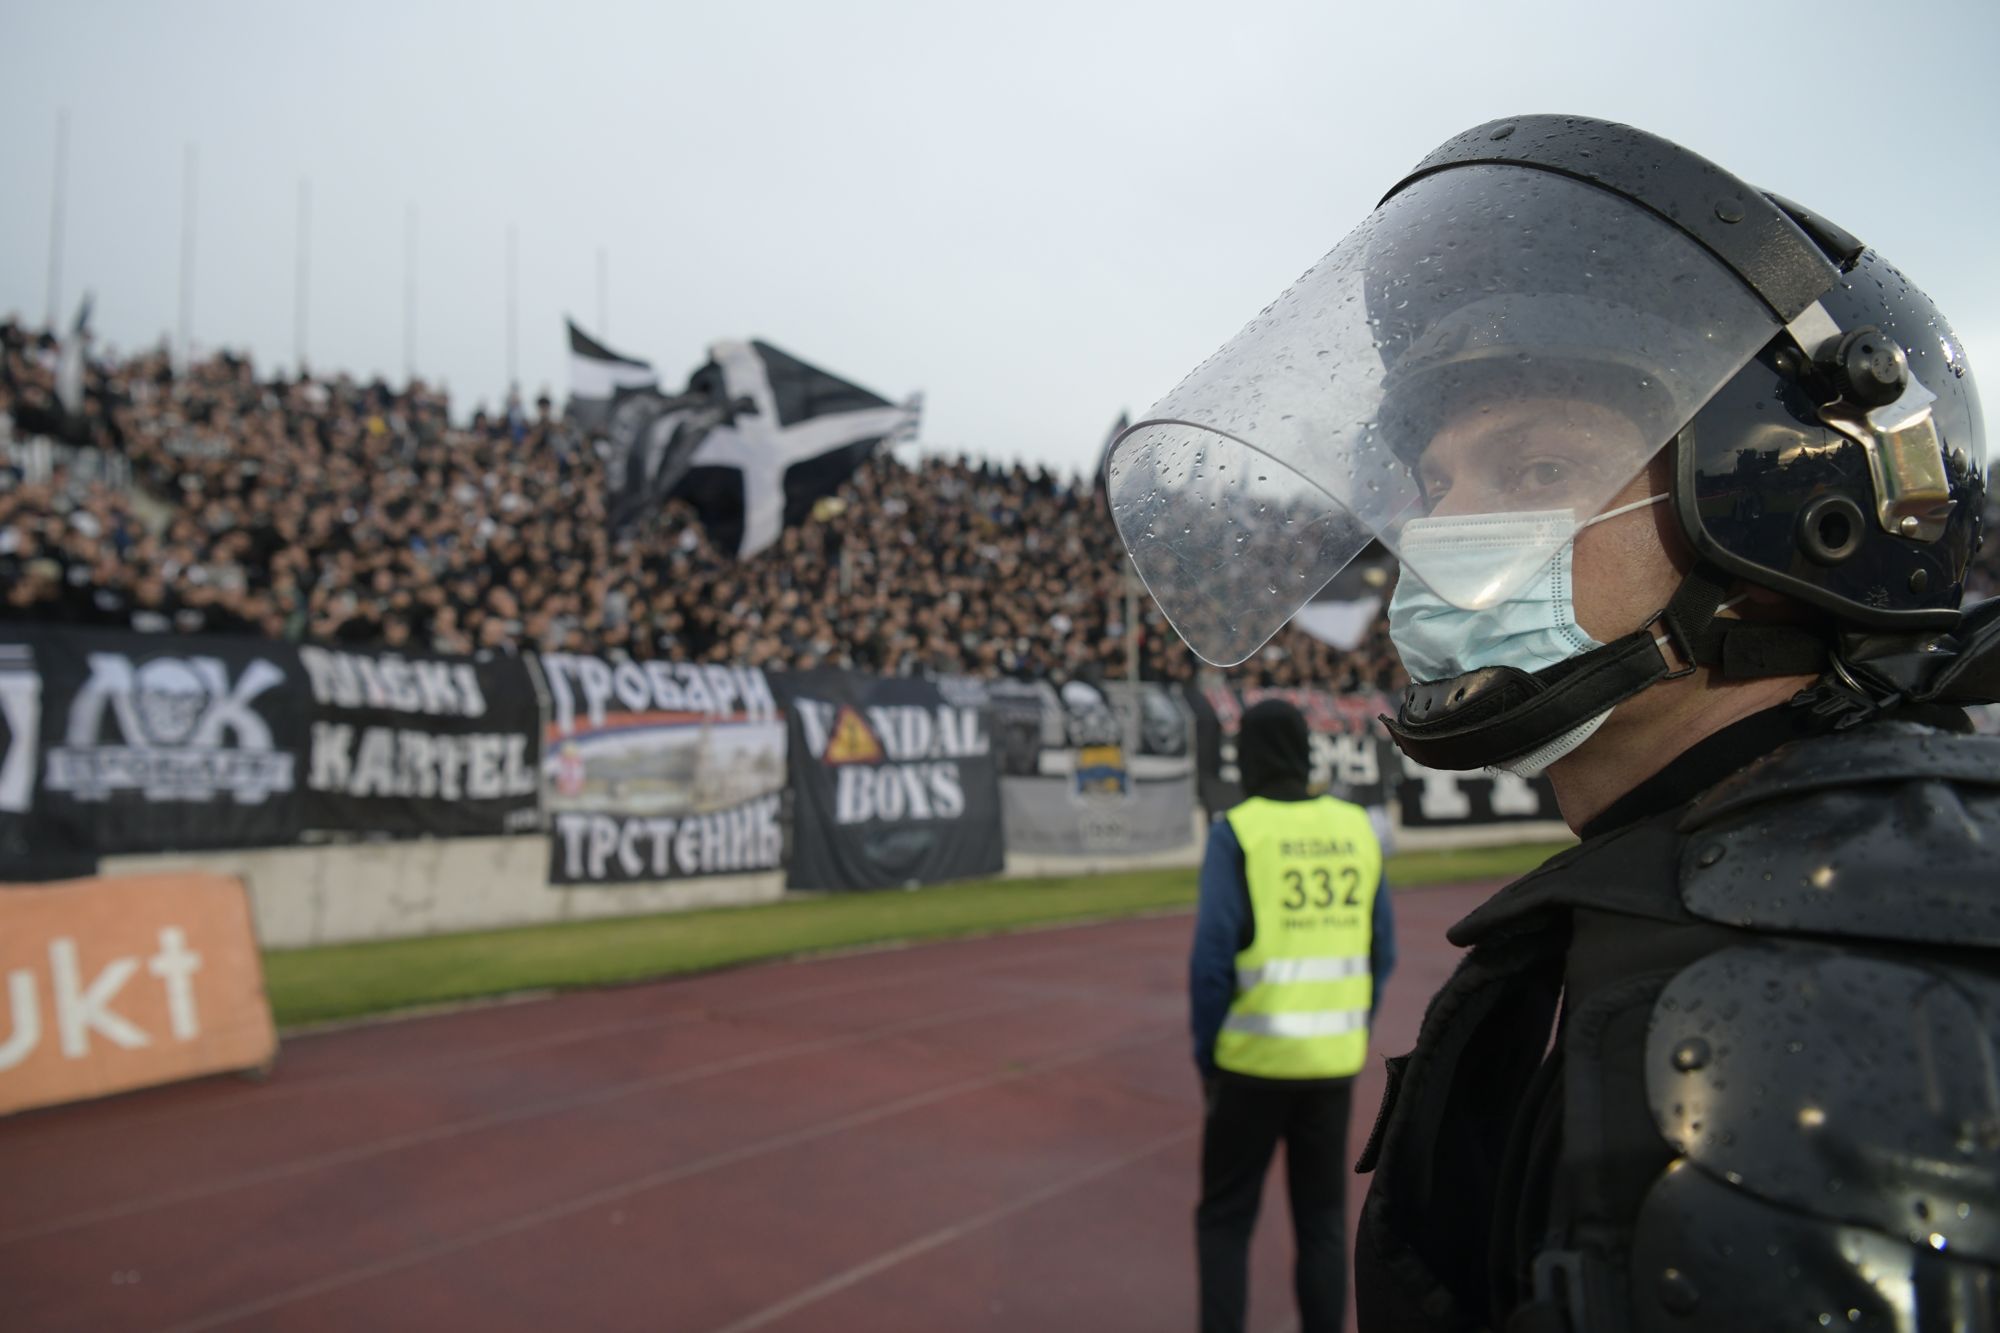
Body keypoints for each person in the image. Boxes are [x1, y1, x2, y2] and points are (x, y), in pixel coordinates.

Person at [1110, 115, 2000, 1329]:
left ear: (1795, 515)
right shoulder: (1725, 887)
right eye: (1432, 488)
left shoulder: (1823, 1009)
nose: (1437, 540)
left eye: (1535, 472)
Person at [1190, 698, 1395, 1333]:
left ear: (1247, 756)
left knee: (1225, 1219)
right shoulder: (1355, 827)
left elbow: (1211, 963)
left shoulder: (1240, 830)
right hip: (1331, 1064)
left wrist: (1209, 1057)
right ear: (1304, 751)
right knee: (1323, 1224)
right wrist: (1351, 1029)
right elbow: (1381, 950)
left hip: (1250, 1062)